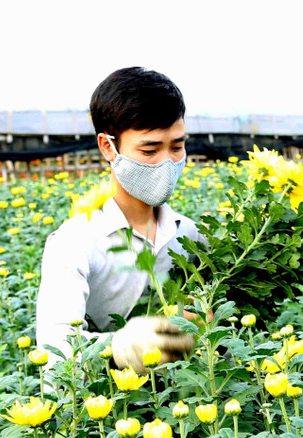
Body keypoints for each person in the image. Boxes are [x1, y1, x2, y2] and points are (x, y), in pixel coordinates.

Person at [34, 67, 204, 383]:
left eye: (177, 146)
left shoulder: (189, 235)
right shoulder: (74, 241)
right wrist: (123, 346)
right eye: (150, 150)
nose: (166, 162)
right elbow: (53, 356)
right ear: (107, 146)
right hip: (107, 413)